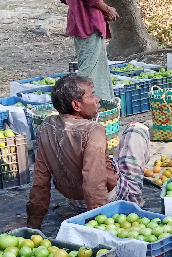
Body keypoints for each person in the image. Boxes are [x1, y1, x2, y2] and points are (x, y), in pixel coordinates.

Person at [27, 74, 150, 228]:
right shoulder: (93, 130)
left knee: (110, 159)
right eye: (92, 95)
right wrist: (101, 224)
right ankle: (134, 200)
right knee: (136, 130)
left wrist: (33, 223)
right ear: (76, 105)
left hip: (75, 203)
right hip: (107, 201)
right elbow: (94, 183)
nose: (97, 99)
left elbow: (40, 181)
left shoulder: (46, 126)